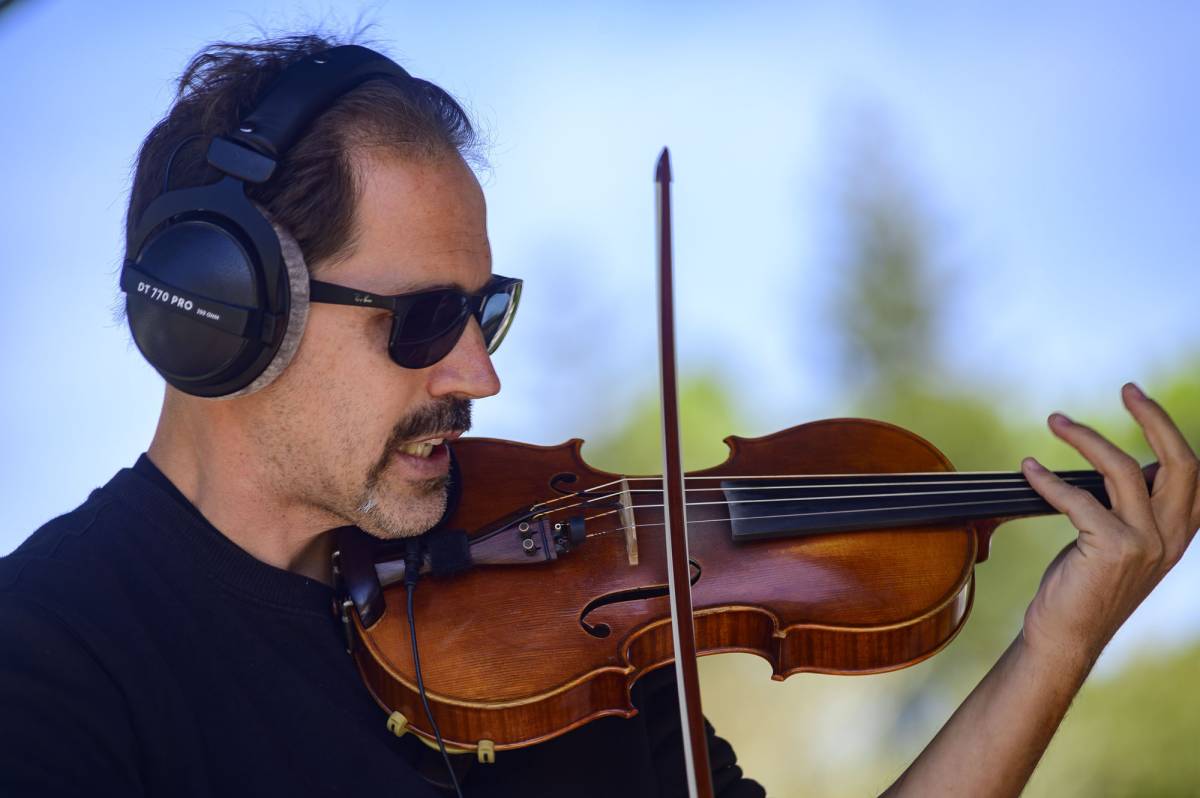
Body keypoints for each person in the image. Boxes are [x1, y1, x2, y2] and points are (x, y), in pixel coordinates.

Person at [1, 32, 1196, 798]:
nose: (480, 375)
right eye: (423, 322)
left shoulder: (576, 628)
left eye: (487, 310)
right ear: (223, 313)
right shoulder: (48, 661)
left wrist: (1057, 648)